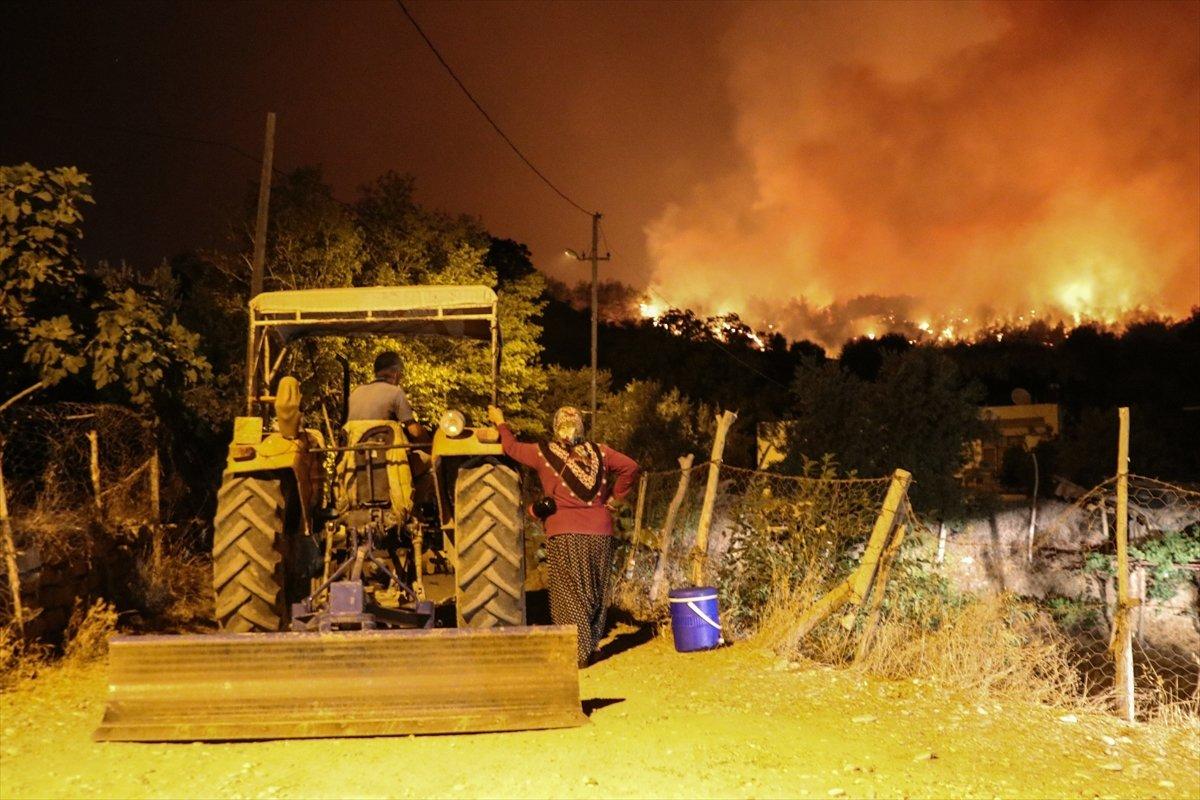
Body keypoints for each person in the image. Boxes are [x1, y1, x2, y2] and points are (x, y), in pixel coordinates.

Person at [487, 403, 639, 667]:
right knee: (595, 593)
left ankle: (576, 654)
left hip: (565, 533)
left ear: (556, 426)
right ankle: (590, 648)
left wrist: (500, 422)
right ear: (581, 426)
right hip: (601, 533)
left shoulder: (541, 452)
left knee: (569, 595)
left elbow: (510, 448)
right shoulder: (601, 452)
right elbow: (631, 467)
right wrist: (615, 497)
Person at [347, 351, 427, 442]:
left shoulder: (356, 392)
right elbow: (414, 432)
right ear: (396, 373)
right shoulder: (396, 392)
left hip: (354, 451)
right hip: (386, 452)